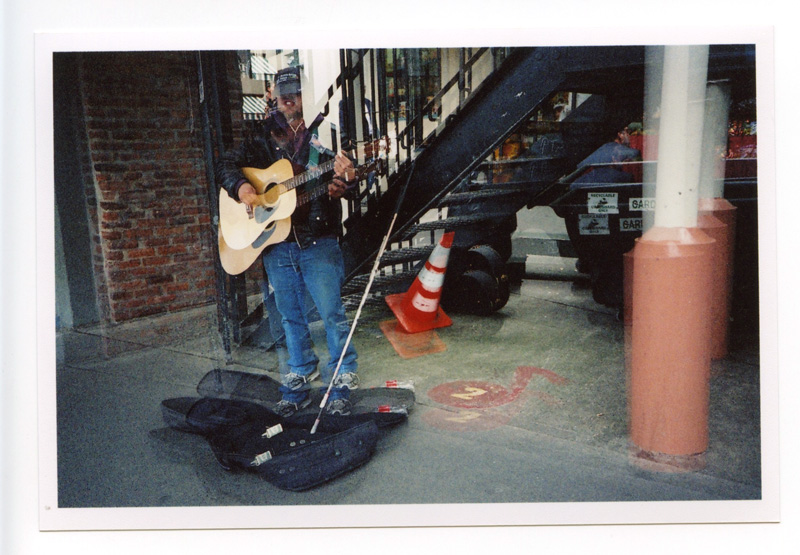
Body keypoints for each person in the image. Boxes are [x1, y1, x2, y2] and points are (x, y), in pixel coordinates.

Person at [216, 66, 359, 417]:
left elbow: (346, 183)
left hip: (317, 239)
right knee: (289, 315)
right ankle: (300, 370)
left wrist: (348, 181)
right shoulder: (260, 138)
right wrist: (244, 188)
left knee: (331, 313)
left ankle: (342, 376)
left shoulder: (326, 136)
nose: (288, 99)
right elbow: (225, 166)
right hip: (277, 242)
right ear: (274, 96)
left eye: (294, 92)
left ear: (303, 96)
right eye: (283, 93)